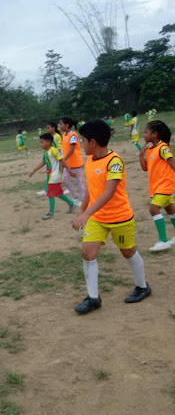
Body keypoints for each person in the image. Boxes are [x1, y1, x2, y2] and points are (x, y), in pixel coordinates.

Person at [72, 119, 151, 314]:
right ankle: (93, 298)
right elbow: (91, 188)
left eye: (83, 141)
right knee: (87, 253)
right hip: (97, 218)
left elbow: (108, 192)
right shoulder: (90, 161)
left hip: (120, 218)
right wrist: (83, 209)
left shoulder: (114, 161)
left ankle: (142, 286)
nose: (81, 145)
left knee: (128, 251)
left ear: (92, 142)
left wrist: (87, 212)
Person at [139, 120, 175, 251]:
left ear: (154, 134)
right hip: (156, 186)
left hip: (165, 184)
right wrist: (141, 155)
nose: (143, 135)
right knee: (170, 210)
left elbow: (172, 163)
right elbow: (145, 168)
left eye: (146, 132)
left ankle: (163, 240)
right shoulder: (149, 150)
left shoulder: (163, 148)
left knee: (153, 209)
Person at [28, 133, 77, 219]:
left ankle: (51, 213)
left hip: (55, 176)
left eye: (42, 142)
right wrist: (33, 171)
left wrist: (69, 171)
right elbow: (43, 162)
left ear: (48, 142)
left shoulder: (53, 150)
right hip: (52, 176)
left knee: (49, 193)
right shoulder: (46, 152)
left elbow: (62, 161)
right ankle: (71, 204)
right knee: (57, 193)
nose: (40, 144)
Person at [60, 116, 84, 205]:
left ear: (67, 125)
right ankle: (75, 197)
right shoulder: (63, 135)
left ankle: (81, 199)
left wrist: (64, 159)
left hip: (75, 163)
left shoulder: (73, 135)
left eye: (61, 124)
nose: (60, 126)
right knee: (65, 180)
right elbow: (64, 148)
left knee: (78, 181)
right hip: (67, 163)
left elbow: (71, 149)